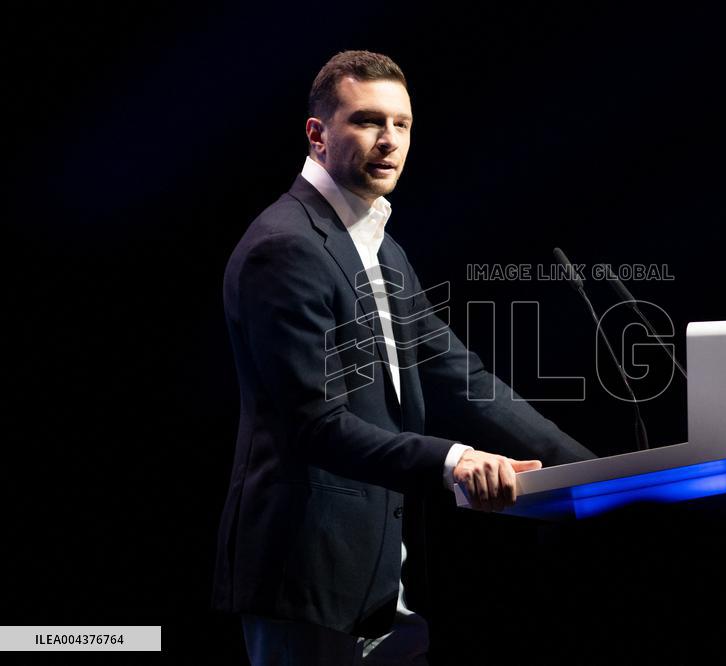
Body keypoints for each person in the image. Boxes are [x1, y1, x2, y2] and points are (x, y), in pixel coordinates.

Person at [212, 50, 596, 665]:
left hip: (386, 586)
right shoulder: (283, 248)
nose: (389, 140)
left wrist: (595, 473)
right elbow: (313, 423)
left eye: (402, 124)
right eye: (367, 121)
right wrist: (454, 460)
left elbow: (464, 378)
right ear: (317, 135)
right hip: (304, 576)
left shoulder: (383, 249)